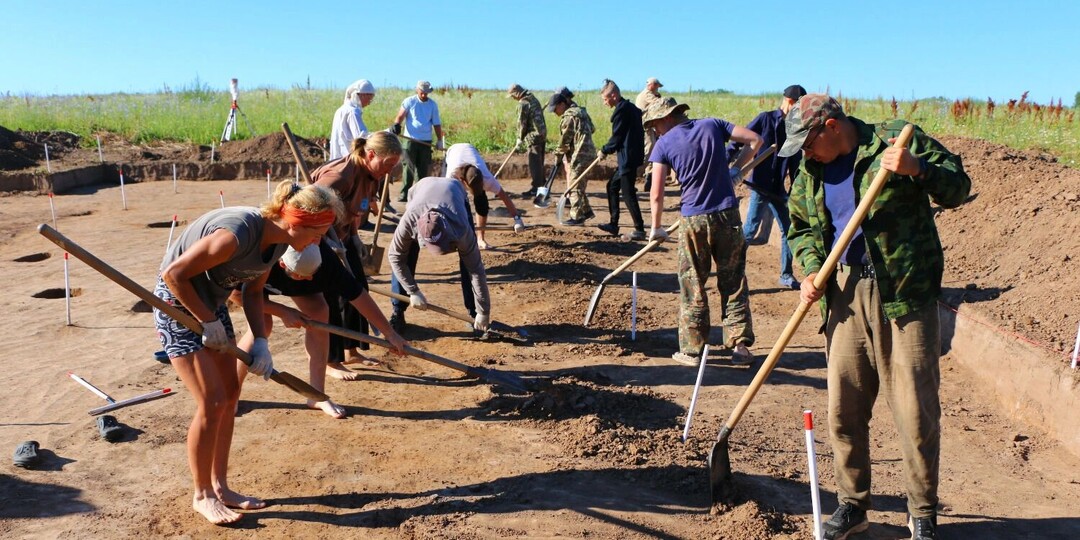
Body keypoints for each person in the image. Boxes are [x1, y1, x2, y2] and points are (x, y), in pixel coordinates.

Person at [783, 94, 970, 540]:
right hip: (844, 294)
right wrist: (810, 268)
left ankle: (921, 513)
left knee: (914, 411)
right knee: (843, 410)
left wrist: (917, 169)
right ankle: (853, 505)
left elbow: (958, 187)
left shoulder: (894, 140)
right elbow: (802, 229)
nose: (805, 153)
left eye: (808, 143)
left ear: (831, 126)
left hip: (904, 296)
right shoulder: (811, 170)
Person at [153, 181, 342, 525]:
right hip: (177, 305)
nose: (318, 242)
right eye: (317, 233)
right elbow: (174, 274)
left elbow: (253, 294)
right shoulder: (238, 235)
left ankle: (221, 487)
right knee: (211, 400)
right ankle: (202, 495)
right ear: (296, 222)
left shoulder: (277, 243)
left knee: (230, 395)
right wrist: (207, 321)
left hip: (211, 303)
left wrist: (260, 341)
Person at [644, 97, 763, 367]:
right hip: (727, 215)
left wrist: (656, 227)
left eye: (654, 125)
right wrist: (737, 170)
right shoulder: (713, 125)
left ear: (664, 118)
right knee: (733, 281)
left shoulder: (663, 144)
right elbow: (756, 140)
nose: (655, 131)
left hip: (694, 219)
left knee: (693, 283)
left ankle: (692, 350)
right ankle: (740, 347)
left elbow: (656, 192)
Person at [232, 241, 408, 419]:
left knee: (319, 312)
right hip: (256, 285)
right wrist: (283, 311)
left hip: (290, 278)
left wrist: (390, 334)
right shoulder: (260, 253)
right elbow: (237, 296)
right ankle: (231, 394)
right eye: (303, 275)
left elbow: (358, 295)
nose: (309, 279)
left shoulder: (327, 262)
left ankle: (316, 395)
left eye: (312, 274)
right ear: (283, 264)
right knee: (262, 327)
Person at [311, 132, 402, 378]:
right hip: (319, 238)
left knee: (358, 287)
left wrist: (353, 237)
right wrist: (325, 239)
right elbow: (308, 204)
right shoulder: (340, 177)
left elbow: (354, 208)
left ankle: (352, 349)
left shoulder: (373, 174)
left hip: (343, 235)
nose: (390, 170)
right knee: (330, 296)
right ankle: (331, 361)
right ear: (371, 154)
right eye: (388, 164)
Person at [387, 176, 491, 336]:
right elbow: (395, 256)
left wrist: (483, 311)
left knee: (468, 263)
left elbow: (476, 270)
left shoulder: (461, 228)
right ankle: (397, 312)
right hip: (420, 191)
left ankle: (473, 314)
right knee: (406, 256)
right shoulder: (409, 221)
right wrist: (412, 290)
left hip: (454, 191)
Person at [728, 84, 807, 289]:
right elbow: (738, 138)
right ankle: (734, 272)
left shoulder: (794, 128)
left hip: (778, 190)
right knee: (750, 230)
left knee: (788, 231)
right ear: (790, 102)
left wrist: (795, 190)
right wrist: (727, 162)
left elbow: (795, 163)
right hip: (760, 187)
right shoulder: (765, 119)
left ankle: (786, 275)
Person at [443, 142, 527, 248]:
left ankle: (480, 239)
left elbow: (504, 197)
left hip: (470, 149)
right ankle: (456, 238)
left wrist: (517, 219)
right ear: (463, 182)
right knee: (459, 204)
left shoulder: (487, 179)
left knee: (482, 203)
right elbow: (446, 201)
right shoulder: (451, 178)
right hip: (453, 151)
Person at [597, 79, 646, 240]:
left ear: (614, 95)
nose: (605, 103)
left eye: (605, 99)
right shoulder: (631, 108)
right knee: (612, 186)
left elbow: (617, 136)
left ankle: (639, 229)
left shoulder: (622, 110)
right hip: (632, 156)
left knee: (627, 192)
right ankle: (613, 224)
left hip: (627, 158)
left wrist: (604, 150)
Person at [546, 87, 597, 226]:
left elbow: (564, 142)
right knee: (579, 183)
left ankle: (577, 217)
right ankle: (586, 211)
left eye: (555, 109)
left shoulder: (569, 117)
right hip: (589, 152)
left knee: (574, 186)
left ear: (562, 104)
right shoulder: (581, 112)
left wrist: (557, 157)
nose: (555, 113)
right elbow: (592, 129)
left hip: (579, 154)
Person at [391, 80, 444, 202]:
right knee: (408, 167)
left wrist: (440, 140)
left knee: (422, 169)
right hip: (410, 140)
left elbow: (436, 124)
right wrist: (397, 124)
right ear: (417, 90)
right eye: (422, 92)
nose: (424, 95)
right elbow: (400, 115)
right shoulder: (409, 101)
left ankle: (420, 195)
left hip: (425, 141)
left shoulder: (432, 105)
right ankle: (405, 194)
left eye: (426, 93)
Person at [507, 83, 548, 198]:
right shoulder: (533, 99)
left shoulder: (523, 103)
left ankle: (536, 188)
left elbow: (522, 123)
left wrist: (519, 138)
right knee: (540, 161)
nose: (513, 98)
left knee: (534, 162)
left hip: (533, 136)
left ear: (517, 93)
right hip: (542, 134)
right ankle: (542, 185)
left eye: (512, 96)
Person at [328, 79, 375, 161]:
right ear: (362, 95)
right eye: (369, 98)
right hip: (347, 163)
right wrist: (388, 133)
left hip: (336, 161)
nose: (369, 103)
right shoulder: (352, 112)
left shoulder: (341, 110)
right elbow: (362, 137)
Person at [635, 77, 663, 191]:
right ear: (652, 85)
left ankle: (649, 176)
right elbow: (660, 104)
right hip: (645, 126)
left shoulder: (648, 94)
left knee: (653, 149)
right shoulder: (647, 94)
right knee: (650, 148)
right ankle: (636, 173)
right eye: (657, 86)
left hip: (649, 125)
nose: (657, 89)